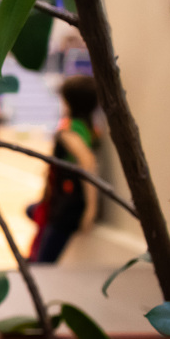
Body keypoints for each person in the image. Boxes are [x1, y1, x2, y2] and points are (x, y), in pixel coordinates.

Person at [28, 75, 100, 263]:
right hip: (63, 204)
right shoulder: (88, 127)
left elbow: (88, 161)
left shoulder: (69, 131)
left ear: (68, 103)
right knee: (31, 210)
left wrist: (91, 209)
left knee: (42, 262)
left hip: (66, 209)